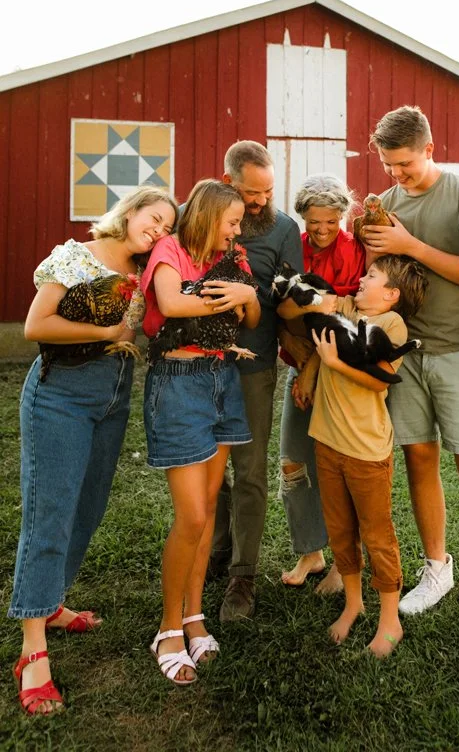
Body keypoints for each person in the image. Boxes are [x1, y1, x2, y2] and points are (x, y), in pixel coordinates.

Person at [9, 185, 178, 715]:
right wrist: (107, 329)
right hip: (60, 395)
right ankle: (32, 649)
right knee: (49, 513)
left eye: (167, 227)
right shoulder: (75, 256)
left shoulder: (149, 272)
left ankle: (51, 602)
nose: (159, 231)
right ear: (129, 214)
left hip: (113, 397)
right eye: (154, 219)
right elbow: (36, 325)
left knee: (88, 508)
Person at [362, 105, 459, 638]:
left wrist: (410, 245)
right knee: (419, 459)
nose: (396, 175)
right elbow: (382, 281)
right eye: (388, 165)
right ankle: (437, 569)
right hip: (407, 355)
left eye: (404, 163)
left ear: (430, 149)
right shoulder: (383, 204)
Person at [141, 178, 260, 685]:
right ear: (209, 215)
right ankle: (168, 627)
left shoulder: (233, 257)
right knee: (190, 515)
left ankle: (194, 616)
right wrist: (228, 297)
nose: (236, 231)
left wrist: (247, 293)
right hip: (178, 382)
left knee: (209, 508)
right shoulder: (170, 248)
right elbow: (170, 303)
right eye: (231, 221)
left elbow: (250, 317)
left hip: (222, 379)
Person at [279, 255, 428, 656]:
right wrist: (309, 300)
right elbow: (291, 307)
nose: (361, 280)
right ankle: (353, 602)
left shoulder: (392, 324)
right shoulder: (345, 307)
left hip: (365, 449)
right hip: (327, 441)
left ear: (392, 293)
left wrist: (331, 363)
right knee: (340, 528)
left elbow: (379, 382)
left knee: (377, 534)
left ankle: (389, 619)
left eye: (372, 277)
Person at [209, 141, 304, 622]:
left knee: (248, 469)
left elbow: (291, 297)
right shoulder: (196, 216)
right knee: (206, 468)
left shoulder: (284, 229)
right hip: (197, 367)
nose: (262, 201)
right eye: (251, 192)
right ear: (228, 183)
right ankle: (218, 546)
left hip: (254, 365)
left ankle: (243, 576)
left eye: (268, 190)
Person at [278, 173, 366, 594]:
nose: (322, 230)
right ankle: (311, 550)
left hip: (343, 370)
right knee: (295, 462)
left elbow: (345, 318)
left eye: (331, 222)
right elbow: (281, 309)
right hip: (299, 360)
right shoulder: (292, 246)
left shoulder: (354, 252)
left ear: (342, 218)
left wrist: (313, 368)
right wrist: (301, 360)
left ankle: (347, 560)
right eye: (314, 222)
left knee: (342, 467)